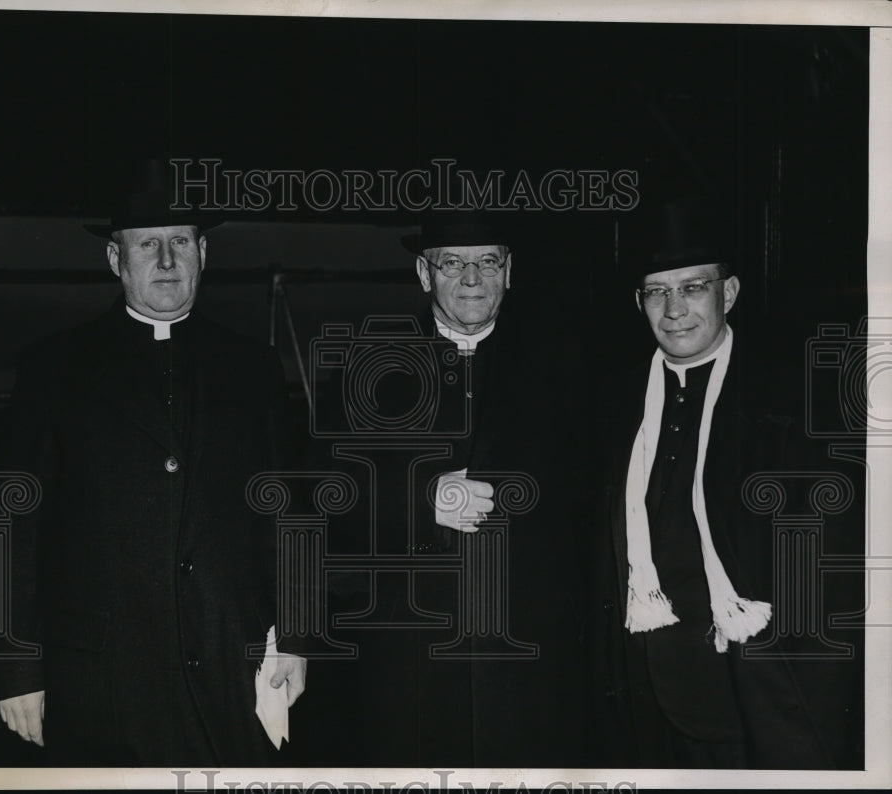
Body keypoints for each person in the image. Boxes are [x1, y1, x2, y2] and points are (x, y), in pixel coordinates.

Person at [0, 161, 307, 766]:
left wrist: (295, 638)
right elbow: (14, 530)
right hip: (104, 674)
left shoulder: (254, 369)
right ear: (117, 261)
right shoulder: (54, 370)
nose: (166, 260)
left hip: (231, 661)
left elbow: (289, 514)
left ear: (203, 252)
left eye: (180, 242)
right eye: (147, 245)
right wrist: (15, 667)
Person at [299, 215, 590, 767]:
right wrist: (418, 498)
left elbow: (588, 496)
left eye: (488, 261)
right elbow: (322, 492)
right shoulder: (366, 362)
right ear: (424, 273)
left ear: (510, 270)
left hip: (529, 658)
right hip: (406, 659)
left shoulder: (563, 367)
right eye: (453, 262)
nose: (472, 278)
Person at [586, 196, 864, 769]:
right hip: (642, 694)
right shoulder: (610, 403)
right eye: (656, 291)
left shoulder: (794, 399)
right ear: (638, 302)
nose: (674, 309)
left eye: (692, 288)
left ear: (727, 293)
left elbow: (832, 567)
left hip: (753, 694)